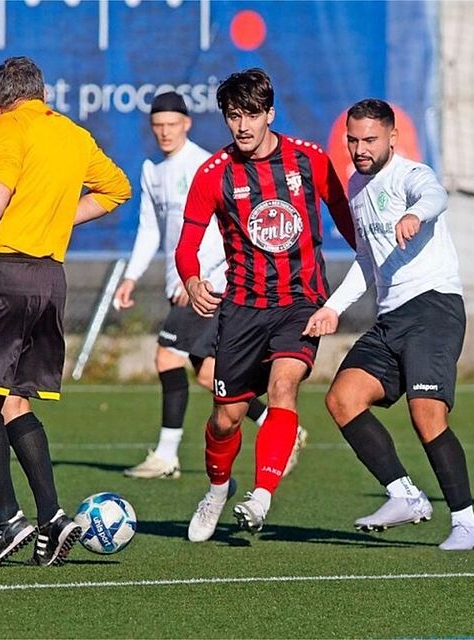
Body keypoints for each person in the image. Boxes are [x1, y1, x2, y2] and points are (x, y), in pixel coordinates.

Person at [0, 56, 131, 567]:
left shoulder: (8, 125)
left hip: (2, 271)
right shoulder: (72, 135)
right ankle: (51, 517)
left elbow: (1, 180)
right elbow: (116, 189)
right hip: (49, 279)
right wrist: (57, 217)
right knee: (14, 400)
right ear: (42, 92)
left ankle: (7, 518)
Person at [175, 68, 356, 542]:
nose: (243, 126)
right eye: (234, 116)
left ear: (270, 114)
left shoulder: (309, 160)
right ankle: (217, 489)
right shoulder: (214, 175)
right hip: (241, 309)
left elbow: (353, 227)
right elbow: (186, 244)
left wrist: (384, 273)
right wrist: (192, 280)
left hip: (300, 303)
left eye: (252, 114)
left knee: (284, 386)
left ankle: (261, 495)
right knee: (225, 418)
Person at [304, 99, 474, 551]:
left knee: (427, 413)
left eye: (369, 140)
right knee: (343, 399)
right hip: (392, 316)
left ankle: (466, 523)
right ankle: (404, 495)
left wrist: (414, 214)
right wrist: (334, 308)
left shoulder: (411, 175)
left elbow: (435, 196)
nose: (360, 149)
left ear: (391, 138)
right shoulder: (355, 184)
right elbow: (368, 260)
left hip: (434, 307)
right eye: (353, 140)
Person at [117, 92, 305, 480]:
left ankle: (167, 455)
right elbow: (150, 230)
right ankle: (280, 425)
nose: (165, 132)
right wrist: (131, 276)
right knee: (208, 375)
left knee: (167, 357)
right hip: (185, 282)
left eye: (172, 125)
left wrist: (199, 278)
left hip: (208, 285)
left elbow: (225, 232)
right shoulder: (153, 171)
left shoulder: (205, 165)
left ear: (187, 124)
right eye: (158, 126)